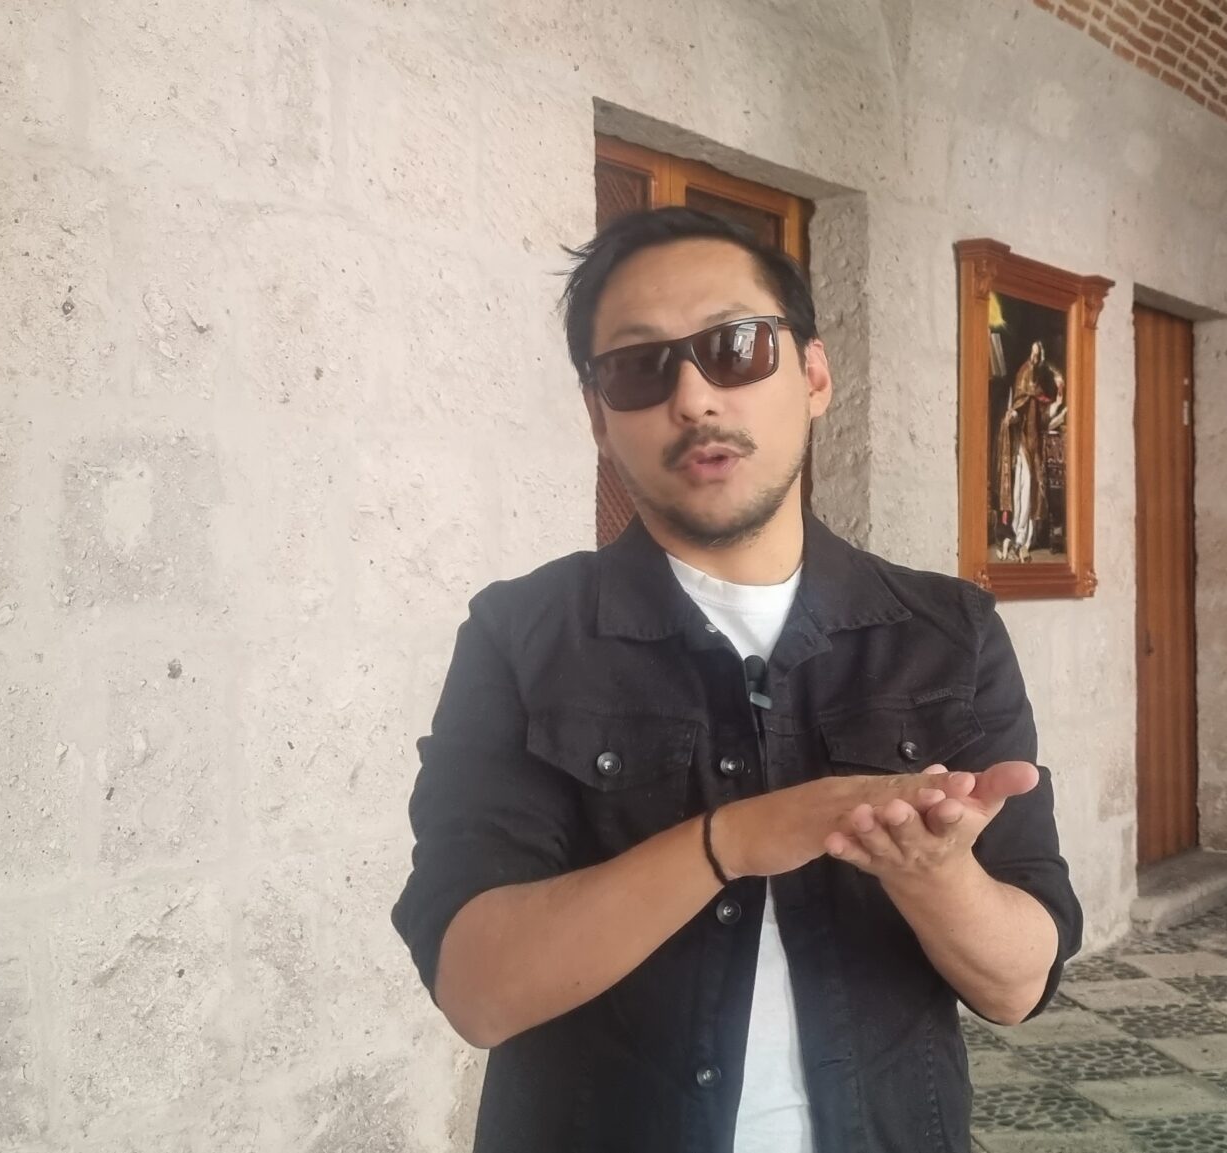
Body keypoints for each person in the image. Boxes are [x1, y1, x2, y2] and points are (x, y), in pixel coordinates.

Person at [390, 207, 1082, 1152]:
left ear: (814, 374)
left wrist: (934, 874)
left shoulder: (945, 635)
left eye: (736, 347)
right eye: (640, 367)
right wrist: (737, 838)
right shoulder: (523, 635)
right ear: (597, 415)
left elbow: (1017, 983)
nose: (693, 398)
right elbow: (478, 989)